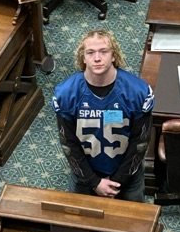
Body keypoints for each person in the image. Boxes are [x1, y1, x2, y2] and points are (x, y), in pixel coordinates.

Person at [52, 30, 154, 202]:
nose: (97, 58)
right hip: (86, 172)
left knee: (132, 222)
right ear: (83, 58)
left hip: (127, 170)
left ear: (113, 56)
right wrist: (93, 181)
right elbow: (68, 143)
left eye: (103, 51)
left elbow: (140, 141)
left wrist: (118, 180)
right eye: (90, 53)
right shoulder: (67, 94)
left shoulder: (137, 92)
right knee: (79, 221)